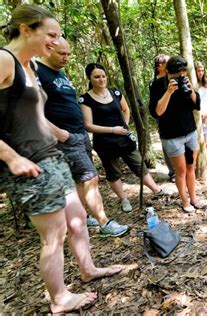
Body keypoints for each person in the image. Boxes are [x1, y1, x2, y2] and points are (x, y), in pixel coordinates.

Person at [0, 4, 123, 313]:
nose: (55, 42)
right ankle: (59, 298)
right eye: (50, 35)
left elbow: (33, 113)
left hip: (52, 156)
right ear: (27, 29)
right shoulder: (4, 60)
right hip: (29, 164)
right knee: (54, 235)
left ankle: (87, 269)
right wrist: (10, 157)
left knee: (78, 220)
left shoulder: (30, 67)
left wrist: (59, 132)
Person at [37, 37, 128, 237]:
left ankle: (83, 217)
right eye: (62, 54)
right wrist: (59, 133)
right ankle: (105, 223)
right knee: (91, 178)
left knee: (80, 181)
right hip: (66, 138)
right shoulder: (37, 71)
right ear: (47, 48)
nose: (66, 58)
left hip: (79, 135)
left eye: (68, 54)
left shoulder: (58, 73)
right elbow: (31, 110)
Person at [80, 63, 166, 212]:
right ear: (89, 78)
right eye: (96, 77)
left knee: (138, 164)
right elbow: (88, 125)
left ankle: (157, 190)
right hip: (105, 142)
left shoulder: (115, 92)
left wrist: (124, 126)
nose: (101, 79)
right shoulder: (85, 99)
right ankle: (124, 199)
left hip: (124, 138)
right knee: (113, 172)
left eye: (103, 76)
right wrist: (113, 130)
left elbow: (125, 109)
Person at [149, 56, 202, 213]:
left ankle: (193, 198)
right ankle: (184, 201)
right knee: (181, 171)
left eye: (182, 72)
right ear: (168, 72)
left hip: (190, 132)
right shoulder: (158, 85)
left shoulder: (185, 81)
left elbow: (196, 104)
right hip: (172, 136)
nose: (179, 76)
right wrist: (169, 92)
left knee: (191, 167)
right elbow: (157, 112)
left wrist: (190, 89)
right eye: (176, 74)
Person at [150, 54, 176, 183]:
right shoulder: (154, 83)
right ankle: (173, 172)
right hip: (163, 119)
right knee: (167, 144)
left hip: (177, 117)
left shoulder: (172, 78)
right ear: (159, 66)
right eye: (166, 61)